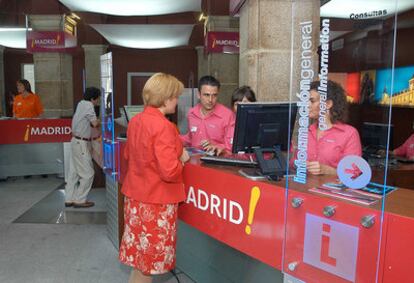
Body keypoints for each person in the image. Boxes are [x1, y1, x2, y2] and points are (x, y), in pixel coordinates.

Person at [119, 73, 190, 283]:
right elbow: (169, 171)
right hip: (156, 203)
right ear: (166, 98)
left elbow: (128, 156)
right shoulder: (164, 127)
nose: (177, 100)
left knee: (141, 261)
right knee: (148, 265)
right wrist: (182, 160)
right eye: (176, 96)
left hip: (135, 199)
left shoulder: (135, 121)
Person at [292, 80, 362, 175]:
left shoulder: (349, 133)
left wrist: (327, 170)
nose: (307, 105)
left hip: (333, 189)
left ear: (328, 104)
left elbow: (354, 173)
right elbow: (293, 163)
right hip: (304, 188)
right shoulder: (306, 132)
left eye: (312, 101)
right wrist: (298, 164)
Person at [65, 87, 101, 208]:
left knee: (73, 172)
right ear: (92, 98)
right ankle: (80, 200)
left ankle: (69, 198)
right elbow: (95, 123)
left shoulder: (80, 104)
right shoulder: (88, 105)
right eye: (97, 99)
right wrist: (103, 120)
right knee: (88, 173)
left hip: (75, 141)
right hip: (81, 143)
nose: (98, 101)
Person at [180, 75, 234, 155]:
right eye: (206, 95)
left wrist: (217, 147)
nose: (210, 100)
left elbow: (231, 146)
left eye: (214, 95)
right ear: (199, 95)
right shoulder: (192, 113)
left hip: (216, 163)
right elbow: (191, 138)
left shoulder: (228, 115)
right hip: (194, 162)